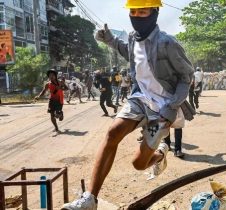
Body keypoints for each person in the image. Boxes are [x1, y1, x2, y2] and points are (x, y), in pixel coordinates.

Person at [62, 1, 194, 209]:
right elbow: (129, 52)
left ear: (154, 13)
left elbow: (186, 78)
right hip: (140, 98)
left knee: (139, 164)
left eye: (143, 11)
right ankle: (90, 198)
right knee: (113, 133)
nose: (137, 15)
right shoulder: (133, 38)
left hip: (162, 107)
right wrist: (110, 40)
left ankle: (160, 154)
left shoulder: (167, 43)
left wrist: (171, 108)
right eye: (133, 11)